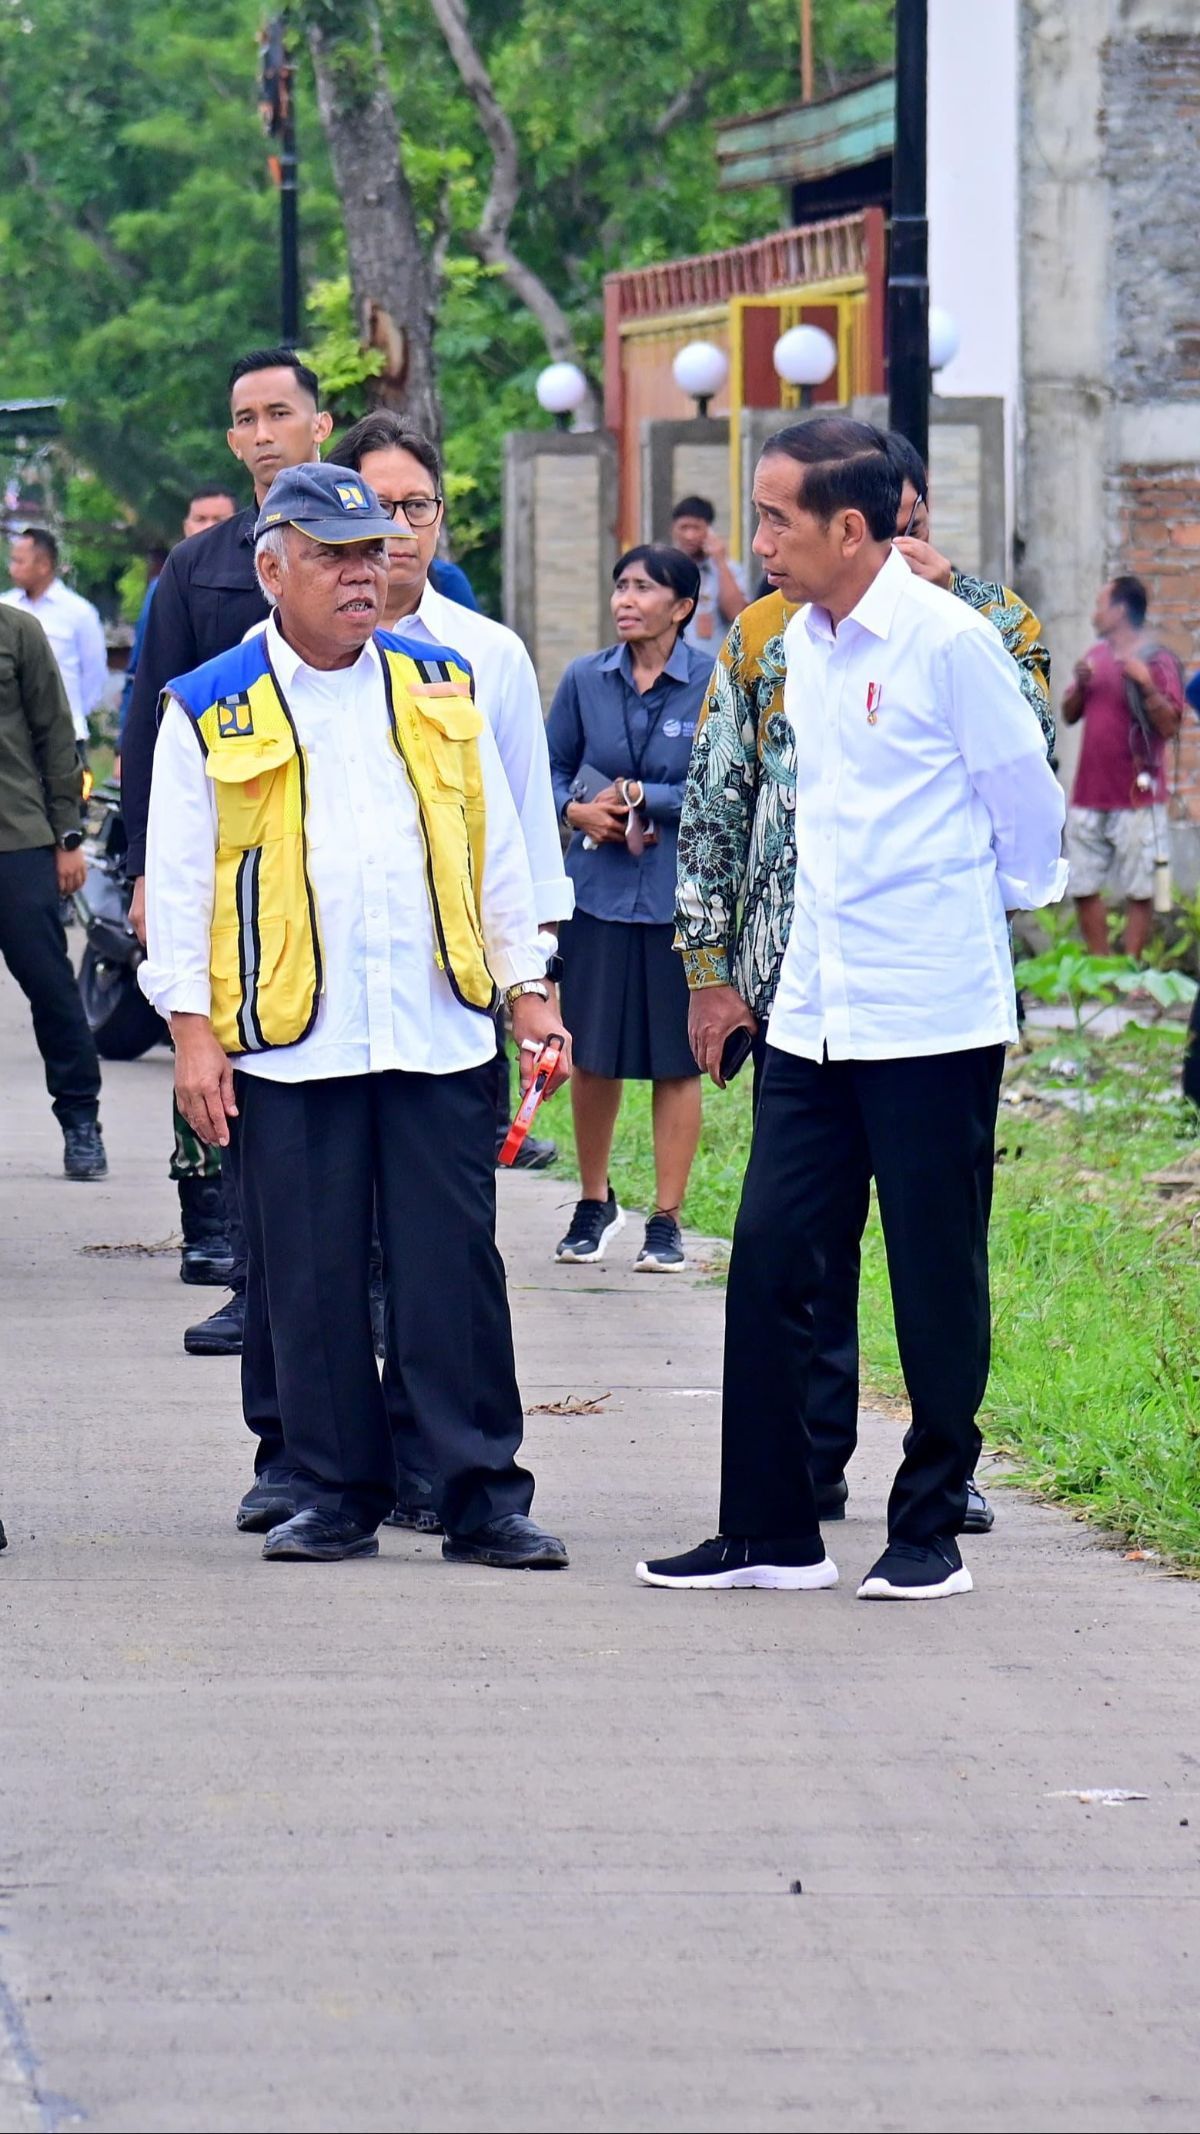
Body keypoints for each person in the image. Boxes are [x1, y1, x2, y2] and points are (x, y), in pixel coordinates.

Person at [639, 416, 1066, 1600]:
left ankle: (927, 1527)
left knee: (934, 1274)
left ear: (850, 525)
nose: (757, 539)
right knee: (773, 1259)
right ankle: (769, 1530)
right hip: (813, 1015)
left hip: (931, 1018)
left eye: (776, 517)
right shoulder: (797, 647)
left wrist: (970, 916)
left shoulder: (949, 642)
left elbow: (1027, 808)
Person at [139, 463, 571, 1567]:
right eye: (333, 555)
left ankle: (481, 1491)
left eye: (371, 551)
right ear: (272, 566)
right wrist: (191, 1033)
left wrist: (528, 987)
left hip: (433, 1025)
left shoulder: (441, 681)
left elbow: (496, 849)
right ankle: (332, 1488)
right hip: (292, 1037)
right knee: (314, 1274)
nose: (361, 573)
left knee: (452, 1267)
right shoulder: (210, 701)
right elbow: (181, 883)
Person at [121, 347, 333, 1357]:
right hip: (227, 873)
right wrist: (141, 876)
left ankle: (361, 1292)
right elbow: (146, 719)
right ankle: (240, 1268)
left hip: (341, 867)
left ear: (319, 426)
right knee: (231, 1076)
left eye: (277, 414)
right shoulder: (199, 568)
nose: (260, 434)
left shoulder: (365, 549)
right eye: (243, 418)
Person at [328, 410, 572, 1169]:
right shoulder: (264, 655)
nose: (399, 528)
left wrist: (533, 982)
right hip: (317, 989)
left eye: (418, 507)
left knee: (442, 1229)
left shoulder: (489, 656)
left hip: (448, 991)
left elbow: (527, 828)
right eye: (378, 506)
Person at [546, 545, 711, 1272]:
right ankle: (593, 1199)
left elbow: (723, 783)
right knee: (595, 1056)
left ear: (681, 607)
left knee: (677, 1061)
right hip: (599, 897)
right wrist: (578, 812)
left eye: (643, 587)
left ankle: (667, 1219)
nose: (626, 598)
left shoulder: (711, 680)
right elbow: (544, 772)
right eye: (620, 585)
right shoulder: (586, 678)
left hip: (681, 898)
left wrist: (647, 798)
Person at [0, 601, 107, 1178]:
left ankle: (80, 1121)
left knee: (50, 987)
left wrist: (68, 834)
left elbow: (54, 732)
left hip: (15, 839)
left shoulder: (17, 631)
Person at [1063, 575, 1184, 958]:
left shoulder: (1157, 660)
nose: (1095, 613)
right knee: (1082, 884)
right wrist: (1080, 686)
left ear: (1118, 611)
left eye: (1101, 605)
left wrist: (1148, 686)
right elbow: (1068, 715)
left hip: (1137, 796)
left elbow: (1171, 725)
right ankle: (1102, 966)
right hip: (1089, 794)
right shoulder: (1095, 658)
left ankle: (1129, 970)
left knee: (1140, 888)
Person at [117, 487, 239, 750]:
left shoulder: (259, 579)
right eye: (200, 519)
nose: (208, 527)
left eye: (218, 520)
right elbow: (139, 670)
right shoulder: (163, 587)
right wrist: (123, 747)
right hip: (178, 727)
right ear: (186, 526)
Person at [3, 529, 108, 752]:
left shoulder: (79, 612)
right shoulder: (5, 607)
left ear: (43, 565)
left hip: (66, 737)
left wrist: (71, 712)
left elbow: (94, 674)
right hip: (11, 738)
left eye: (20, 561)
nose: (12, 568)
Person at [669, 496, 748, 651]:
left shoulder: (730, 570)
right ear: (673, 529)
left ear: (709, 530)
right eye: (683, 527)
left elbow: (736, 614)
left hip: (714, 667)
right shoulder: (665, 570)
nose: (689, 535)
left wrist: (720, 562)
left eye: (696, 528)